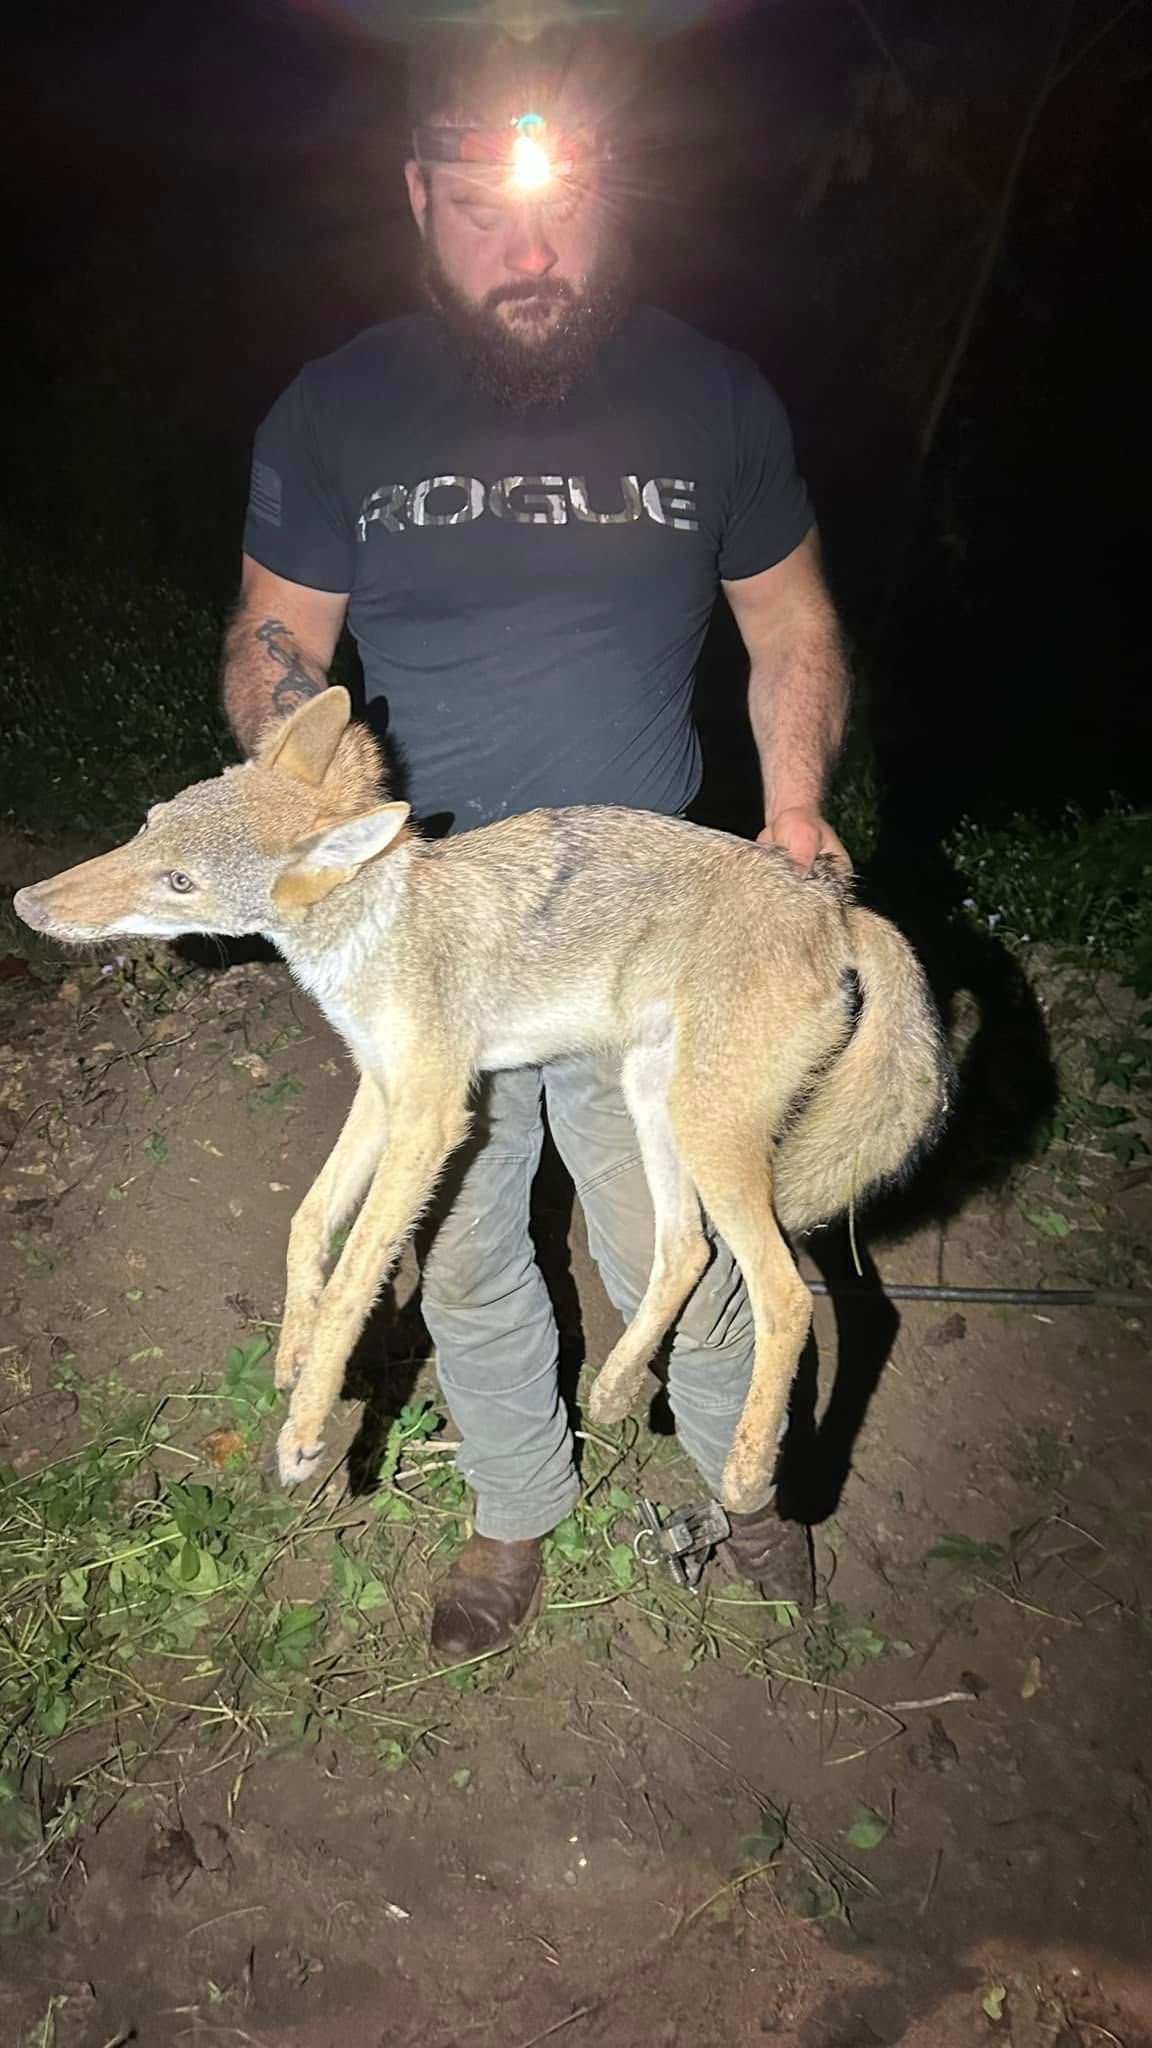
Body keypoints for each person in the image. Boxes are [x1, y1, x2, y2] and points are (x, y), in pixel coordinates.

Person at [223, 24, 852, 1661]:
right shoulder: (336, 406)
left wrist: (789, 813)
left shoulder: (713, 393)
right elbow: (270, 646)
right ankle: (515, 1510)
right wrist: (297, 777)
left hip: (650, 909)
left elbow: (789, 627)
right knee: (454, 1229)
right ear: (418, 199)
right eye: (484, 211)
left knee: (688, 1224)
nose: (530, 248)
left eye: (562, 206)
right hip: (433, 914)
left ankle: (748, 1489)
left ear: (618, 203)